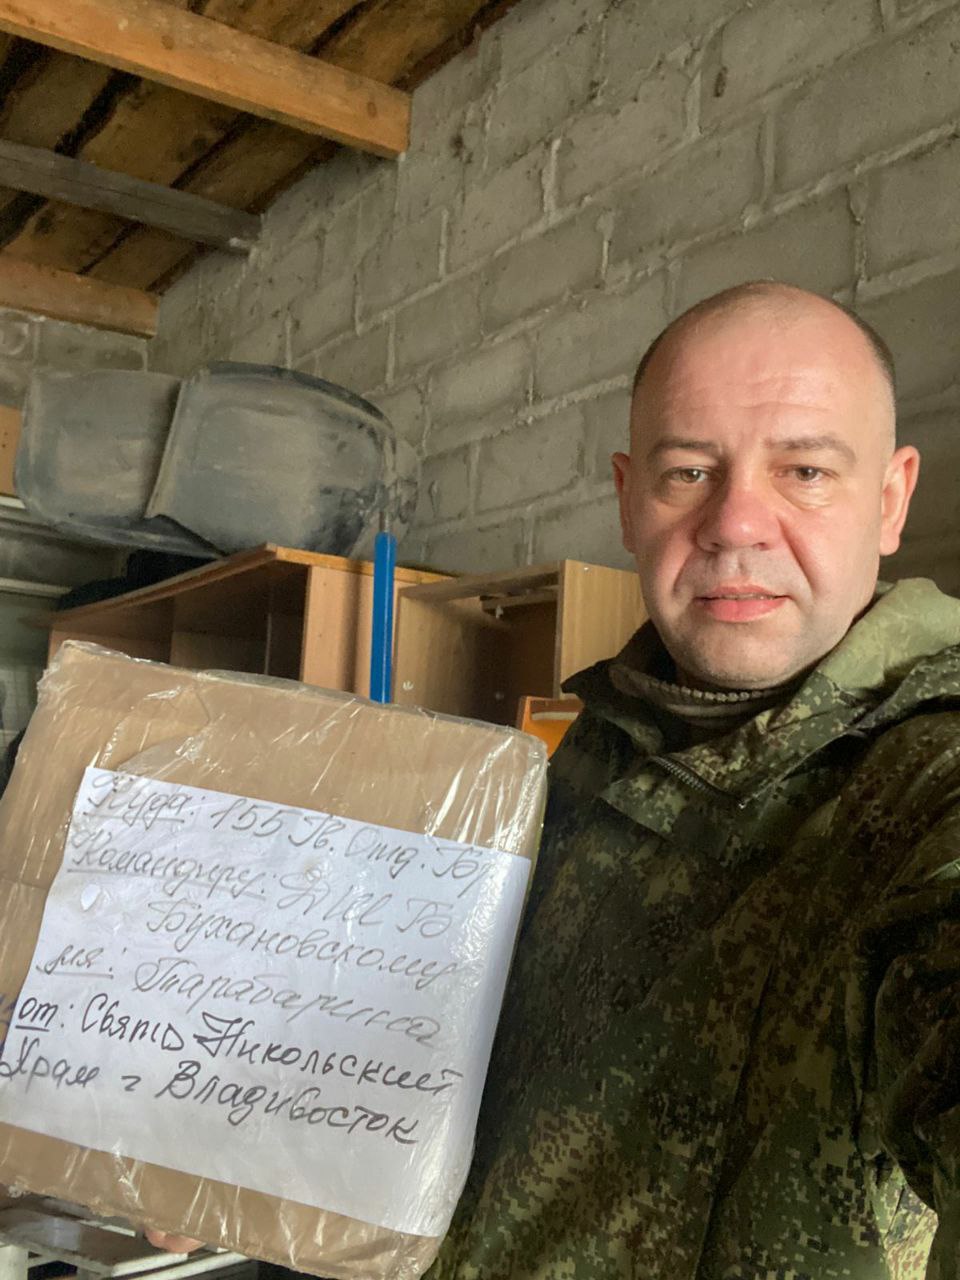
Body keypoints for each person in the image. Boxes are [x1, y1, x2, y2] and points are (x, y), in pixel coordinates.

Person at [152, 281, 960, 1278]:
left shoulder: (926, 783)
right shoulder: (582, 755)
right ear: (628, 499)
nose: (736, 523)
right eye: (689, 471)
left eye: (805, 471)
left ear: (889, 499)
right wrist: (246, 1148)